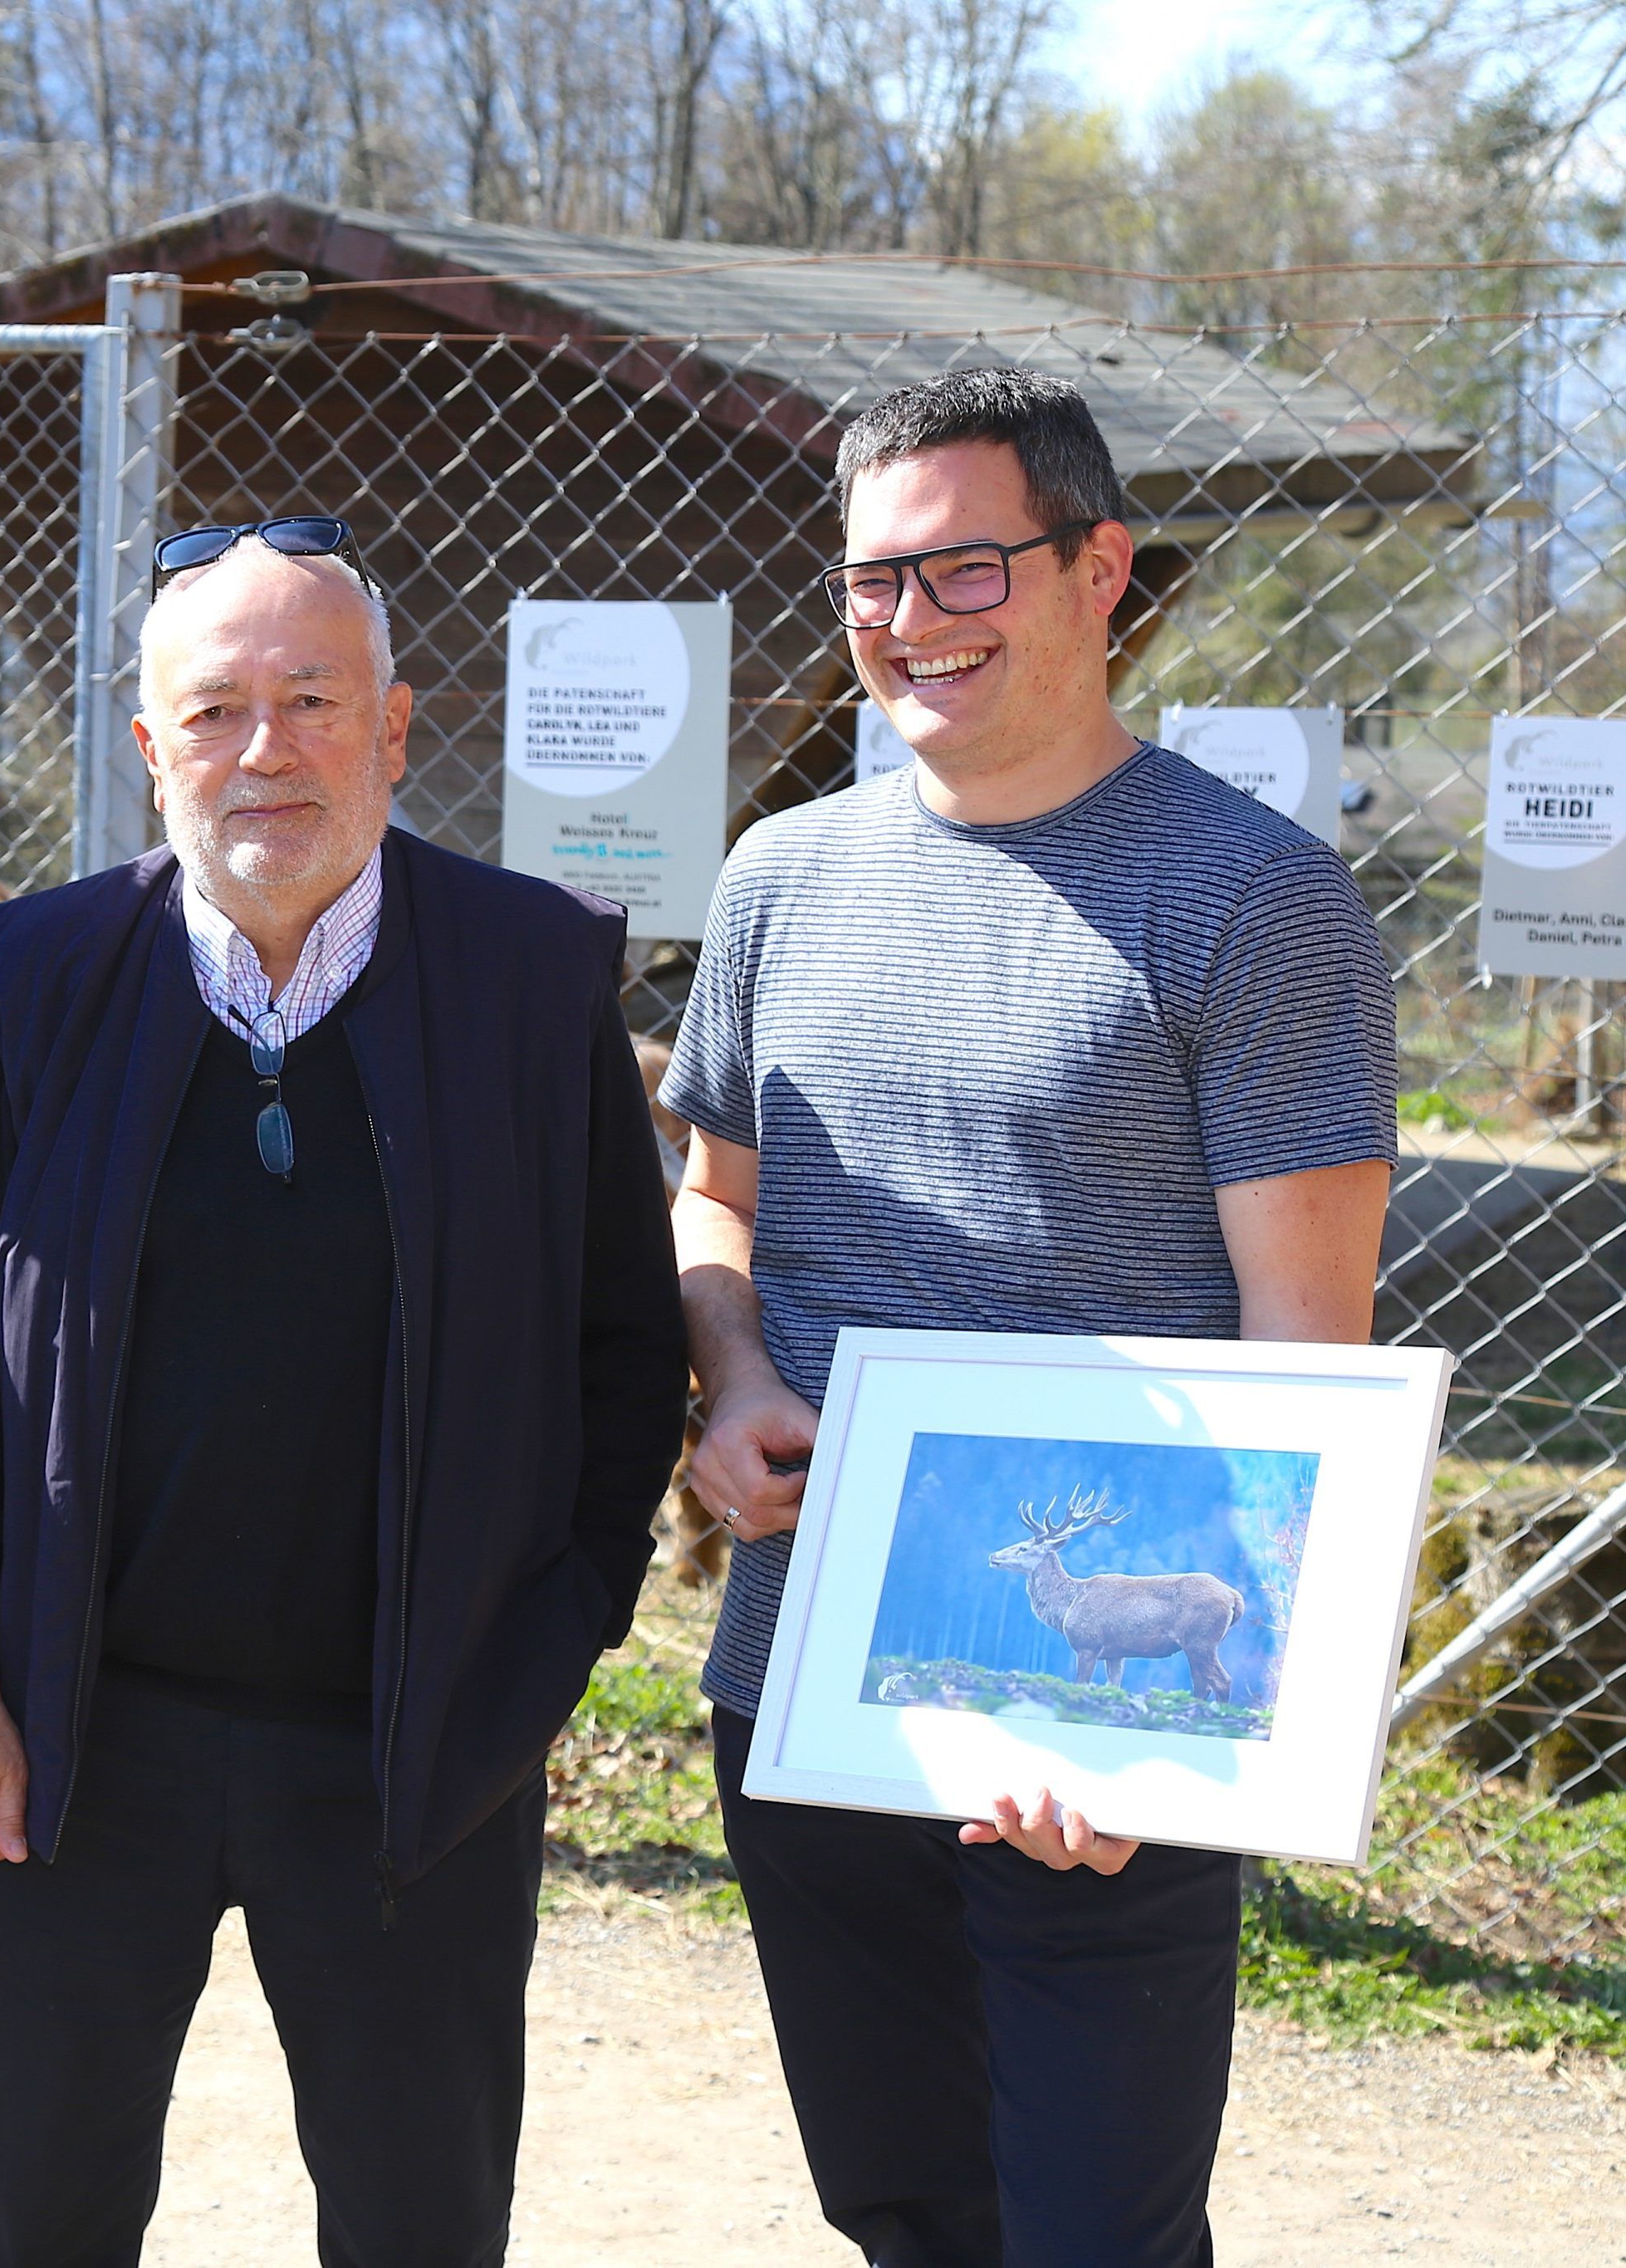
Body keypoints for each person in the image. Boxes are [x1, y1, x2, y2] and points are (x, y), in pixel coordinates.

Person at [0, 519, 690, 2267]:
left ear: (395, 730)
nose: (267, 750)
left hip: (414, 1753)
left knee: (419, 2220)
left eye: (313, 700)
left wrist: (542, 1649)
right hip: (78, 1748)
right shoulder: (36, 975)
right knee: (43, 2210)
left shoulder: (531, 977)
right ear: (147, 746)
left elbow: (626, 1348)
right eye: (219, 708)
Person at [660, 368, 1396, 2267]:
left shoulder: (1258, 900)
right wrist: (727, 1376)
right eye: (874, 579)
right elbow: (715, 1197)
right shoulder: (779, 878)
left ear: (1100, 571)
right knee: (905, 2208)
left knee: (1092, 2233)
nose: (913, 621)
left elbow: (1304, 1345)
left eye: (968, 568)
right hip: (806, 1675)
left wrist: (1186, 1748)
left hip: (1111, 1720)